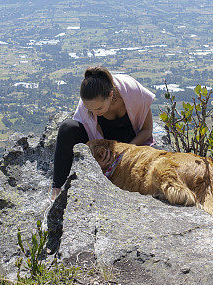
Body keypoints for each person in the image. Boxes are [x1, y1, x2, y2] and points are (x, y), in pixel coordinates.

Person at [50, 66, 155, 200]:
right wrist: (96, 157)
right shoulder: (87, 106)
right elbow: (87, 133)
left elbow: (146, 130)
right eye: (90, 109)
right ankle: (56, 188)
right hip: (103, 145)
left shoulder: (133, 92)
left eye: (99, 108)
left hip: (132, 144)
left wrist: (124, 152)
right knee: (67, 127)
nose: (94, 113)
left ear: (111, 95)